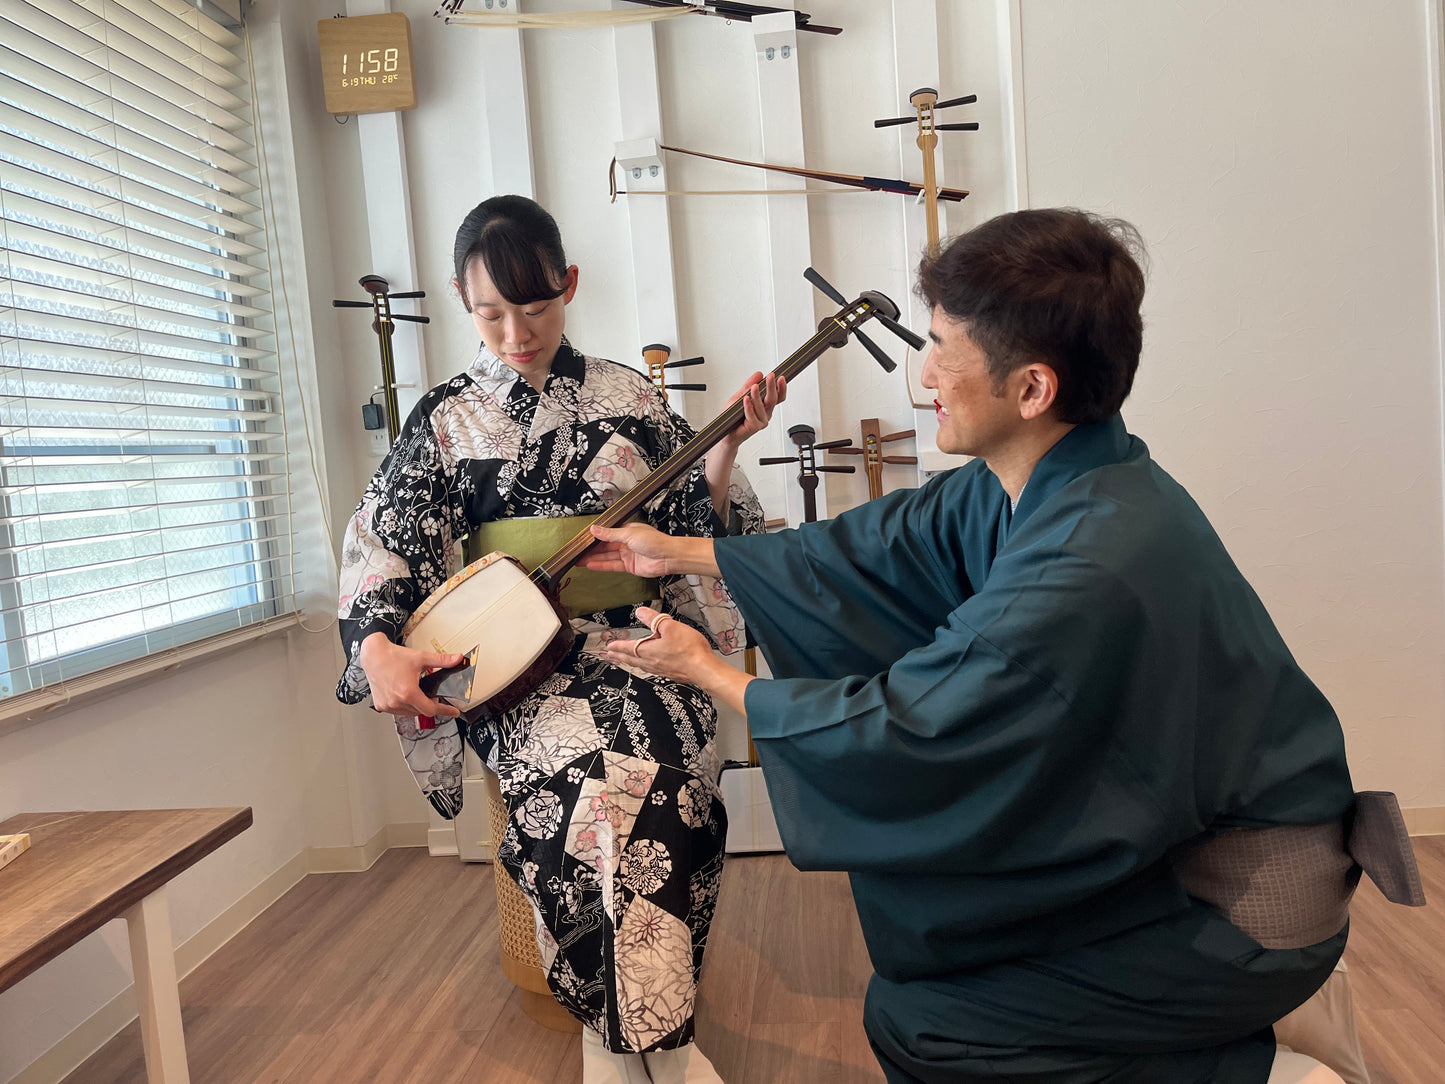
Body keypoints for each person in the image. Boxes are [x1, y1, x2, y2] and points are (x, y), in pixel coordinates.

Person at [578, 209, 1362, 1082]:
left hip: (1240, 906)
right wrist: (680, 552)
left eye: (943, 348)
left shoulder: (1090, 560)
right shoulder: (1059, 478)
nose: (924, 373)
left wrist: (711, 674)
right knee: (940, 953)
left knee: (928, 1023)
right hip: (1177, 846)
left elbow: (920, 723)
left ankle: (1266, 1076)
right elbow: (865, 549)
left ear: (1031, 389)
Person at [335, 194, 784, 1083]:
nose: (514, 333)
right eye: (489, 314)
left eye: (534, 308)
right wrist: (376, 644)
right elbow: (381, 542)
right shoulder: (445, 420)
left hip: (641, 641)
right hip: (518, 669)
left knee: (667, 775)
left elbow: (692, 518)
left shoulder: (629, 396)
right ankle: (640, 1037)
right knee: (589, 784)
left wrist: (730, 447)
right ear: (464, 304)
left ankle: (636, 1037)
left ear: (568, 285)